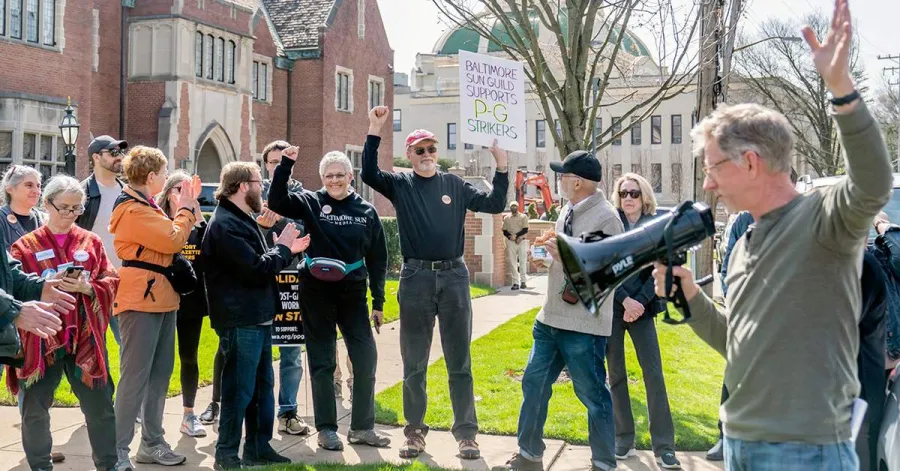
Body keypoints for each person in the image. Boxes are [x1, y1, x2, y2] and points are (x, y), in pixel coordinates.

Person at [650, 2, 892, 468]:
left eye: (712, 168)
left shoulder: (825, 221)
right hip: (742, 443)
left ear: (750, 162)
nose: (707, 185)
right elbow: (737, 345)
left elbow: (873, 182)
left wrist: (841, 89)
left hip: (807, 451)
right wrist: (694, 302)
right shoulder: (743, 243)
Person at [363, 106, 509, 459]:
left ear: (437, 153)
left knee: (459, 360)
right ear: (410, 155)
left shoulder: (455, 184)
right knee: (414, 361)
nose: (427, 155)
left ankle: (466, 435)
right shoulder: (401, 184)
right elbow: (368, 172)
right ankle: (414, 432)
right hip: (415, 278)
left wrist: (501, 165)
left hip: (454, 277)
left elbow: (495, 203)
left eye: (431, 149)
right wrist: (374, 128)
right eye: (420, 150)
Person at [497, 150, 622, 471]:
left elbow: (604, 271)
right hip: (550, 318)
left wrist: (563, 254)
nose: (559, 181)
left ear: (577, 182)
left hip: (583, 324)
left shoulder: (608, 218)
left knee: (593, 396)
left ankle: (604, 464)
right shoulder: (567, 209)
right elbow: (565, 257)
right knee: (534, 383)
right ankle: (529, 456)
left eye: (563, 176)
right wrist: (546, 256)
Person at [268, 146, 390, 451]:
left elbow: (377, 259)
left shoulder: (366, 211)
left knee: (365, 359)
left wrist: (378, 301)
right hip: (316, 291)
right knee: (321, 360)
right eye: (329, 175)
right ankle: (326, 429)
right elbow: (277, 200)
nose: (335, 180)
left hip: (352, 293)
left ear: (351, 176)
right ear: (322, 178)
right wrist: (286, 165)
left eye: (340, 175)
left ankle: (362, 427)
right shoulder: (310, 202)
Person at [201, 161, 309, 470]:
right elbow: (257, 269)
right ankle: (226, 455)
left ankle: (258, 448)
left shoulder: (241, 219)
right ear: (241, 186)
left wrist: (285, 250)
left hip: (257, 316)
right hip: (240, 320)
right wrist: (284, 250)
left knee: (262, 387)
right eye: (258, 182)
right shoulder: (225, 224)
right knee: (239, 390)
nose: (262, 188)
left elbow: (262, 261)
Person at [4, 176, 115, 471]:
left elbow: (111, 280)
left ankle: (109, 465)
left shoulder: (91, 242)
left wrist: (89, 288)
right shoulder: (24, 247)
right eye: (63, 207)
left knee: (101, 406)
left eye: (76, 209)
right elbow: (12, 287)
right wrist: (43, 285)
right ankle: (40, 466)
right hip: (39, 340)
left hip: (85, 338)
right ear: (46, 204)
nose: (69, 214)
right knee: (34, 410)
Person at [109, 145, 198, 470]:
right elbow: (174, 240)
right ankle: (116, 451)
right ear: (150, 176)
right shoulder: (134, 210)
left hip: (161, 298)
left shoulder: (146, 206)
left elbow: (170, 238)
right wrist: (186, 209)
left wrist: (182, 213)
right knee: (135, 377)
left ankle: (152, 443)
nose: (165, 176)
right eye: (163, 172)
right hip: (140, 301)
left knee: (160, 375)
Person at [606, 173, 680, 469]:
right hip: (615, 307)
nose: (628, 198)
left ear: (644, 195)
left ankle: (664, 447)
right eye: (623, 193)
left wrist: (639, 302)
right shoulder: (611, 225)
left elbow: (663, 268)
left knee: (653, 375)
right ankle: (623, 439)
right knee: (616, 375)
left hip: (643, 309)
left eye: (634, 193)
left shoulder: (656, 227)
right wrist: (625, 300)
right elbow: (606, 269)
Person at [258, 139, 310, 436]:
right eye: (273, 162)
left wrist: (283, 218)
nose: (278, 166)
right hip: (262, 276)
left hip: (291, 279)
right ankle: (259, 413)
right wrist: (264, 224)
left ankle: (287, 412)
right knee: (260, 348)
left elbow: (306, 228)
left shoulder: (301, 194)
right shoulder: (254, 191)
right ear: (265, 164)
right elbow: (247, 228)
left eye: (283, 161)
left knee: (291, 351)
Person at [155, 171, 210, 438]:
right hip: (159, 300)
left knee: (189, 356)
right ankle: (149, 413)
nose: (184, 193)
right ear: (167, 193)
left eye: (189, 189)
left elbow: (211, 250)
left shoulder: (198, 225)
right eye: (179, 188)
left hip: (191, 301)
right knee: (157, 361)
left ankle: (189, 414)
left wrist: (197, 213)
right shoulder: (156, 219)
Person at [76, 135, 128, 345]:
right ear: (96, 157)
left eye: (121, 152)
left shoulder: (129, 192)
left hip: (123, 281)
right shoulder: (82, 194)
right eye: (113, 153)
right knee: (91, 347)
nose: (120, 157)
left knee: (129, 346)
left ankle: (129, 381)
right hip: (91, 283)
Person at [1, 165, 45, 250]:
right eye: (29, 185)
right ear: (10, 189)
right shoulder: (2, 220)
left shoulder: (45, 219)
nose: (37, 191)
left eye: (38, 186)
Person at [502, 201, 529, 290]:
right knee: (513, 262)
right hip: (511, 241)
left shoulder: (523, 217)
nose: (513, 208)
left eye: (515, 206)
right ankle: (515, 283)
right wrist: (510, 237)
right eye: (512, 206)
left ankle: (523, 281)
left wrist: (516, 236)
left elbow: (525, 229)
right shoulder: (506, 218)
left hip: (521, 241)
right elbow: (504, 231)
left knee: (522, 261)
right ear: (510, 208)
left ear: (518, 207)